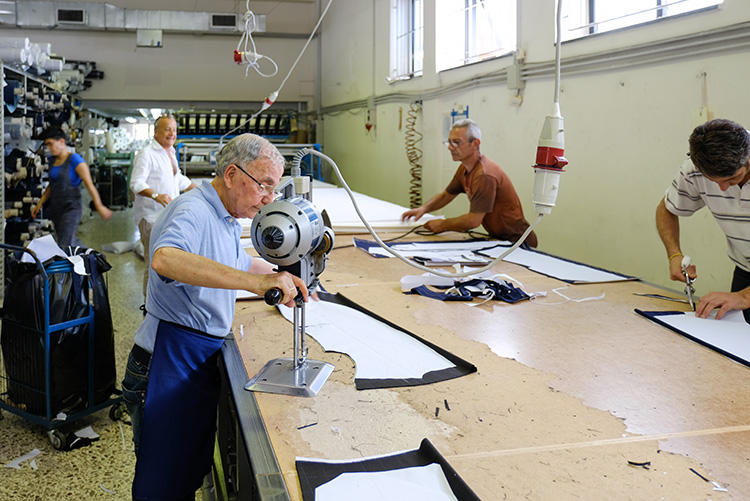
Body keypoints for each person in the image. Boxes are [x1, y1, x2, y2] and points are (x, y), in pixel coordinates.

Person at [121, 133, 309, 501]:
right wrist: (256, 283)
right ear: (232, 175)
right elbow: (166, 259)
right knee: (160, 485)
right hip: (165, 361)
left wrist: (285, 275)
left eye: (274, 188)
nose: (269, 198)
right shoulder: (193, 209)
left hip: (191, 357)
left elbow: (238, 263)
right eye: (263, 186)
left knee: (185, 471)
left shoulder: (224, 218)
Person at [656, 118, 750, 322]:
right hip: (746, 269)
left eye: (733, 179)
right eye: (714, 182)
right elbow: (667, 209)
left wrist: (744, 296)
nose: (724, 189)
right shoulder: (694, 170)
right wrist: (674, 254)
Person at [401, 119, 537, 247]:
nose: (450, 147)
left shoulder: (485, 175)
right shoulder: (465, 169)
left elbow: (473, 221)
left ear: (475, 143)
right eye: (449, 142)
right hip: (498, 238)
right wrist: (423, 209)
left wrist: (442, 225)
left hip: (517, 242)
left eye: (456, 142)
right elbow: (446, 195)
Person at [130, 115, 197, 296]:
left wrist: (199, 190)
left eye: (174, 130)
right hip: (151, 218)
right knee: (153, 264)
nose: (172, 134)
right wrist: (156, 195)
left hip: (169, 217)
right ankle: (149, 308)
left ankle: (163, 304)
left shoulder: (170, 152)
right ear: (156, 131)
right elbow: (136, 183)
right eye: (167, 129)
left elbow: (178, 179)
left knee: (167, 263)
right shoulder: (147, 154)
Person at [31, 127, 112, 247]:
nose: (48, 148)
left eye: (50, 144)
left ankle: (88, 261)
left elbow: (89, 185)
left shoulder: (75, 160)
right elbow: (51, 186)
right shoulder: (52, 161)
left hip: (71, 208)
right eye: (46, 145)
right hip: (56, 208)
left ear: (62, 142)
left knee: (65, 243)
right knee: (68, 241)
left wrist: (99, 207)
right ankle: (89, 259)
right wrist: (40, 203)